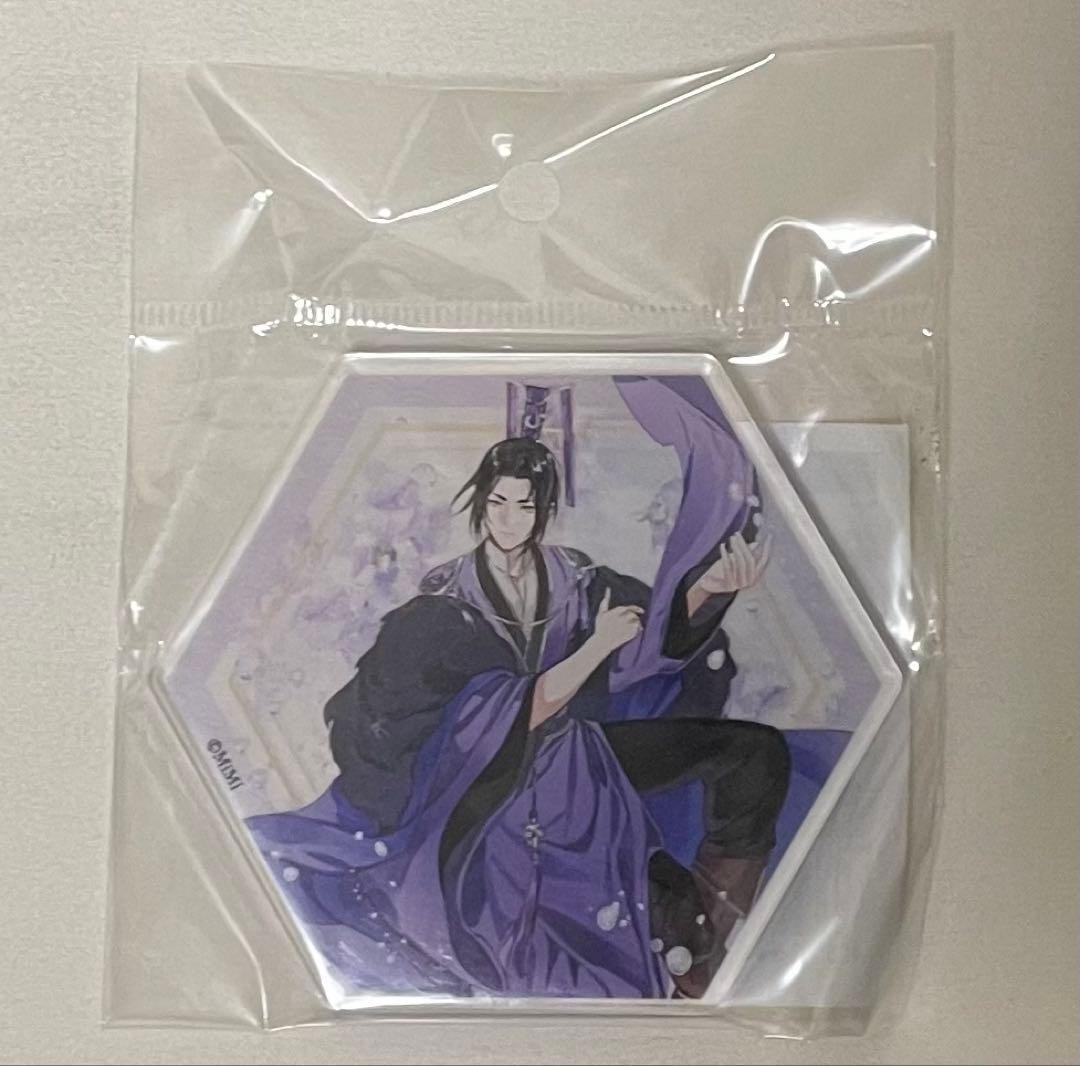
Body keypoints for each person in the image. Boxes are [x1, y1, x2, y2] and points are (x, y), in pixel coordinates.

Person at [249, 377, 790, 1000]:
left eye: (526, 506)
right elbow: (488, 717)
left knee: (756, 753)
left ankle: (716, 933)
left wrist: (709, 589)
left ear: (544, 509)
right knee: (646, 896)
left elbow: (642, 648)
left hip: (576, 752)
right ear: (481, 502)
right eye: (499, 502)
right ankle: (686, 946)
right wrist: (594, 648)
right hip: (488, 783)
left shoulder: (574, 577)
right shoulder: (444, 605)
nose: (510, 519)